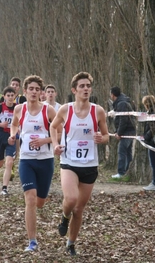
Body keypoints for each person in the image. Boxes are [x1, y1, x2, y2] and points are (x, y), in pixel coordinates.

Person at [50, 72, 109, 256]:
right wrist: (55, 145)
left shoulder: (98, 111)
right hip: (69, 161)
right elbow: (53, 127)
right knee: (71, 199)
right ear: (74, 90)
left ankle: (71, 243)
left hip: (90, 164)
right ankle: (64, 217)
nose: (86, 89)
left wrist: (102, 138)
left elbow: (107, 136)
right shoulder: (65, 110)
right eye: (82, 86)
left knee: (79, 208)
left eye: (88, 86)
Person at [8, 75, 62, 252]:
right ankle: (32, 241)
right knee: (30, 199)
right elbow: (14, 125)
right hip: (26, 160)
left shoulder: (48, 111)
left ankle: (35, 233)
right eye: (30, 89)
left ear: (42, 93)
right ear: (25, 91)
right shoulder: (19, 109)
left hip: (45, 160)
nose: (34, 92)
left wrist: (45, 140)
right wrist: (13, 134)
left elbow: (61, 133)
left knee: (40, 202)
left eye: (37, 89)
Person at [109, 86, 136, 179]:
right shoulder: (124, 101)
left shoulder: (122, 103)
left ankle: (121, 172)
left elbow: (123, 120)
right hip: (130, 130)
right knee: (128, 152)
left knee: (122, 151)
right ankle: (128, 170)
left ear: (112, 94)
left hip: (127, 131)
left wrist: (119, 133)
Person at [142, 95, 155, 191]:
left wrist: (147, 136)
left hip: (153, 140)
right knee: (154, 162)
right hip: (152, 139)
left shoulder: (153, 113)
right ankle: (154, 181)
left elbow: (154, 127)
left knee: (153, 162)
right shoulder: (153, 111)